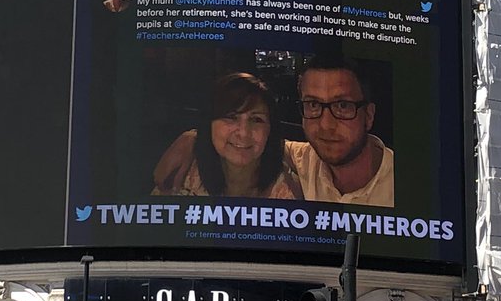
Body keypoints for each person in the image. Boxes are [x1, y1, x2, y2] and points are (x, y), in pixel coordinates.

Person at [153, 73, 304, 199]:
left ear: (270, 130)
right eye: (231, 117)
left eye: (256, 119)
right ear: (209, 123)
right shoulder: (184, 171)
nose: (243, 133)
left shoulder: (290, 192)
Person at [287, 56, 394, 206]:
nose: (326, 125)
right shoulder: (306, 159)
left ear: (369, 116)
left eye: (343, 105)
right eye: (313, 104)